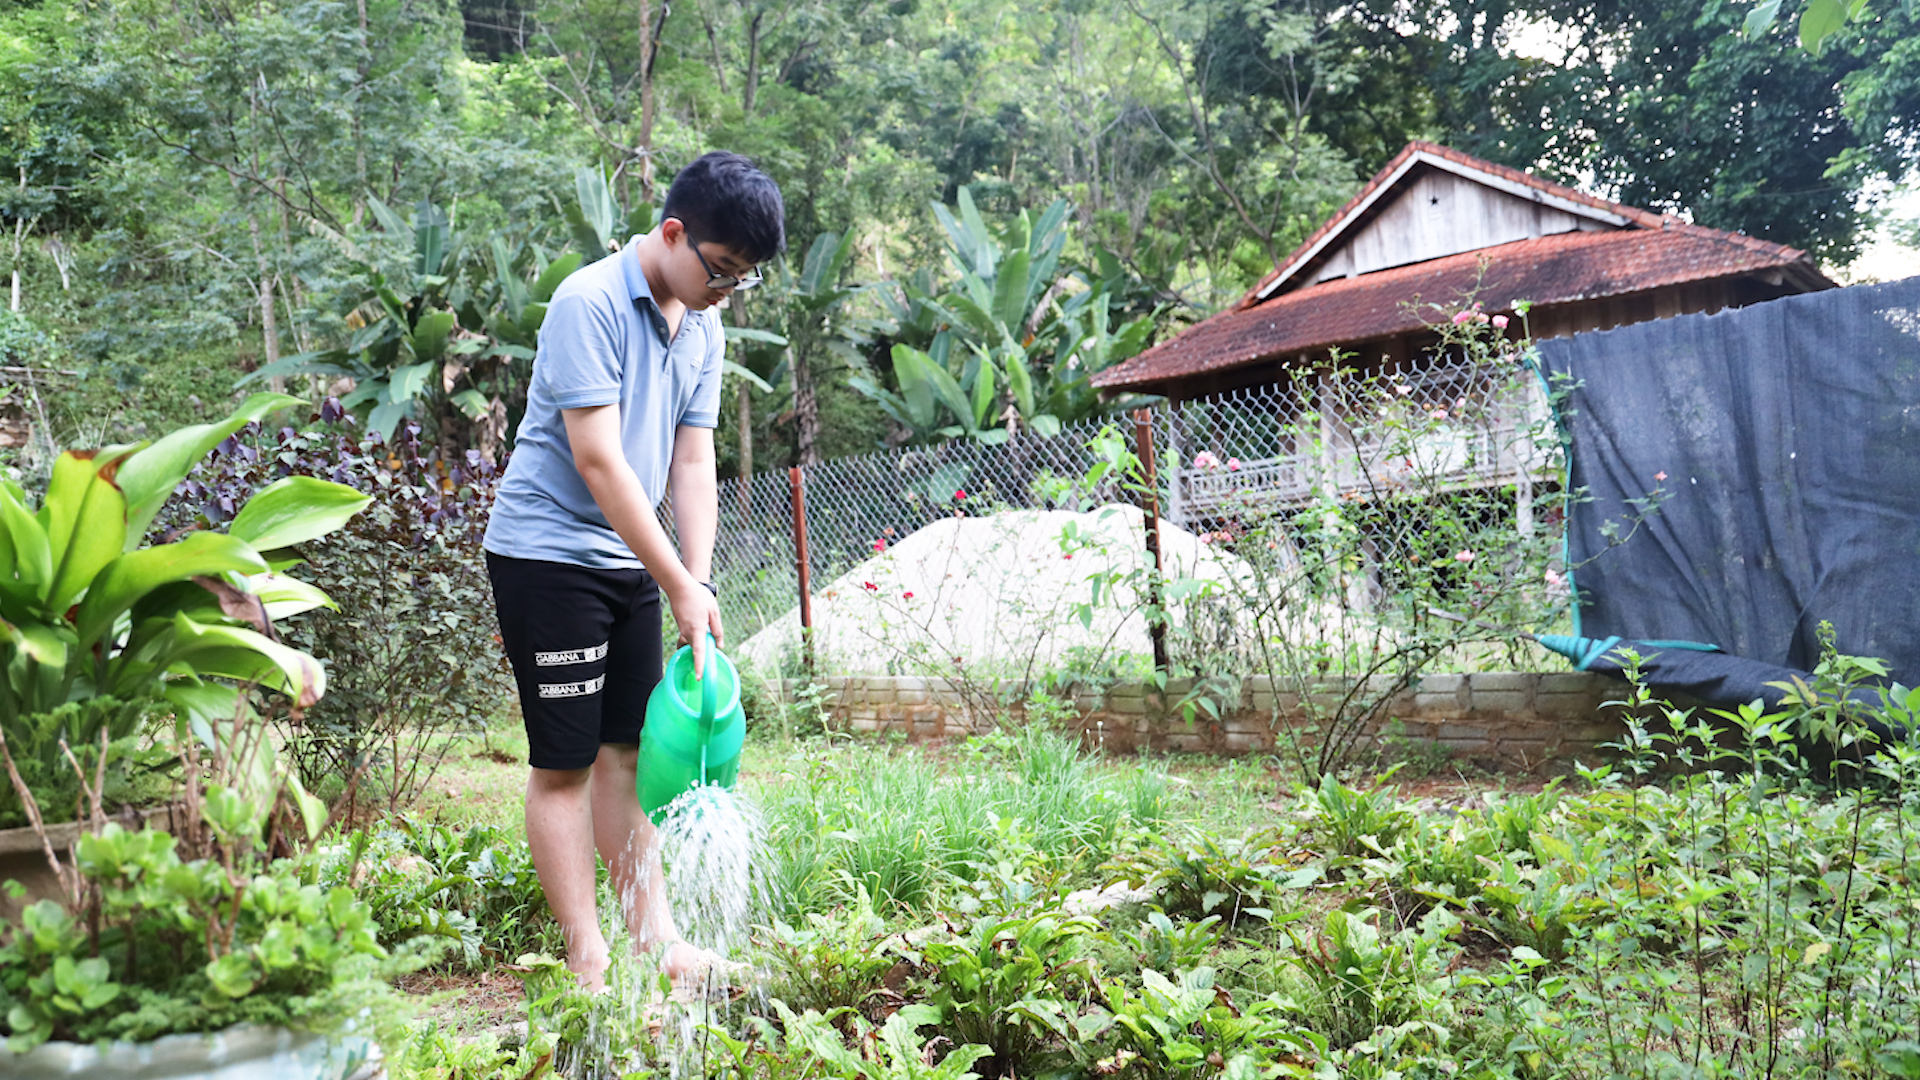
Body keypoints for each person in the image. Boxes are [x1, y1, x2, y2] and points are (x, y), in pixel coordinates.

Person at [482, 151, 784, 991]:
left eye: (742, 280)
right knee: (566, 762)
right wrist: (676, 582)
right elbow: (601, 462)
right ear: (674, 232)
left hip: (633, 557)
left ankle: (659, 942)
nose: (726, 290)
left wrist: (697, 578)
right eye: (720, 270)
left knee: (627, 752)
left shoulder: (705, 324)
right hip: (548, 555)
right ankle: (588, 953)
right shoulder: (588, 302)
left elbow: (693, 461)